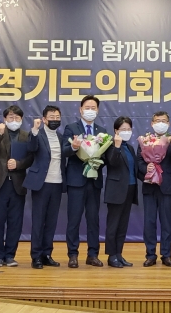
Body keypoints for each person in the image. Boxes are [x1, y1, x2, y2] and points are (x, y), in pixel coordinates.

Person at [0, 105, 33, 267]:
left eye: (17, 118)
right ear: (5, 119)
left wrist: (19, 164)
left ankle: (10, 255)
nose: (14, 120)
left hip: (18, 184)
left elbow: (31, 158)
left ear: (21, 119)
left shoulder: (26, 136)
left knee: (15, 222)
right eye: (11, 117)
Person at [62, 95, 107, 268]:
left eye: (93, 108)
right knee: (74, 219)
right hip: (76, 180)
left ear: (98, 110)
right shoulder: (71, 128)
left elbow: (105, 155)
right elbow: (64, 151)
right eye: (87, 108)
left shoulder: (102, 131)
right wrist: (74, 147)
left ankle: (93, 254)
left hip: (94, 181)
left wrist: (96, 160)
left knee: (93, 219)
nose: (90, 111)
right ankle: (73, 254)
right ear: (80, 110)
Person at [137, 111, 171, 267]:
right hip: (149, 186)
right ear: (152, 123)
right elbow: (138, 161)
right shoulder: (145, 140)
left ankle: (166, 254)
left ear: (168, 123)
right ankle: (150, 254)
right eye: (157, 121)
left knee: (166, 222)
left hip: (166, 186)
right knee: (149, 222)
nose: (160, 123)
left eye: (163, 121)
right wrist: (146, 168)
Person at [24, 106, 65, 269]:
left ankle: (47, 254)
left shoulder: (61, 137)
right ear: (44, 119)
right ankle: (36, 256)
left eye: (57, 117)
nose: (55, 120)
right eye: (51, 117)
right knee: (38, 220)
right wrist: (34, 130)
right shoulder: (37, 134)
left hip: (57, 182)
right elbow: (31, 148)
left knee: (51, 221)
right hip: (41, 183)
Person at [104, 116, 139, 268]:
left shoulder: (130, 148)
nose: (126, 132)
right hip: (116, 190)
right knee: (113, 225)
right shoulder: (110, 145)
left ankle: (119, 254)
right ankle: (111, 256)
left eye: (129, 129)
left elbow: (135, 169)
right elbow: (112, 162)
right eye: (123, 129)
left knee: (123, 225)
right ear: (116, 131)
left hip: (130, 188)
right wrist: (117, 146)